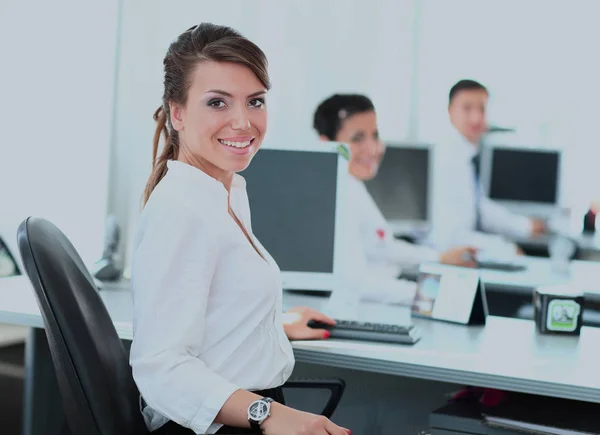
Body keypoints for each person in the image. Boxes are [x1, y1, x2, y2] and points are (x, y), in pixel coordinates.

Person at [130, 23, 351, 435]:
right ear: (177, 112)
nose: (243, 122)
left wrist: (273, 323)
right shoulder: (182, 210)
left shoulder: (222, 192)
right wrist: (269, 414)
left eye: (255, 101)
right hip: (220, 424)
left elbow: (214, 305)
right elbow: (160, 367)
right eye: (217, 102)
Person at [313, 94, 477, 280]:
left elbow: (383, 247)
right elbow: (357, 284)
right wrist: (420, 293)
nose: (373, 148)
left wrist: (439, 258)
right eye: (357, 138)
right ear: (327, 144)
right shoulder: (338, 196)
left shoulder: (352, 186)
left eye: (375, 136)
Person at [427, 79, 546, 253]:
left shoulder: (466, 156)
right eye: (467, 108)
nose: (476, 118)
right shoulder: (447, 162)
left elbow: (479, 207)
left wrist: (524, 226)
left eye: (482, 109)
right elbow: (453, 235)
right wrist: (505, 249)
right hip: (450, 254)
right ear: (450, 111)